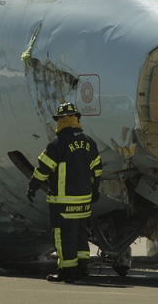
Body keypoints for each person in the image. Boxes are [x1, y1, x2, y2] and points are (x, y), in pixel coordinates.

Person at [26, 102, 102, 283]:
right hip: (83, 201)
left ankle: (67, 272)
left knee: (63, 237)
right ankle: (82, 270)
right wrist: (95, 189)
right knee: (80, 235)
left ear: (60, 120)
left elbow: (43, 169)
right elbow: (97, 170)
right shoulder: (89, 142)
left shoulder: (57, 144)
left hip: (63, 201)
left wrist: (33, 186)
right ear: (77, 118)